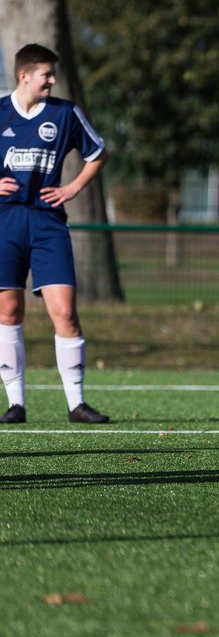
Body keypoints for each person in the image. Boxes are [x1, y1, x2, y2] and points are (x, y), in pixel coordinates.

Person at [0, 43, 110, 424]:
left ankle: (76, 404)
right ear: (24, 75)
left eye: (53, 74)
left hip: (48, 223)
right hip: (5, 222)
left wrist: (72, 188)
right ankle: (16, 404)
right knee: (9, 311)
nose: (52, 80)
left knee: (64, 311)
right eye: (46, 74)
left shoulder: (65, 113)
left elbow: (98, 153)